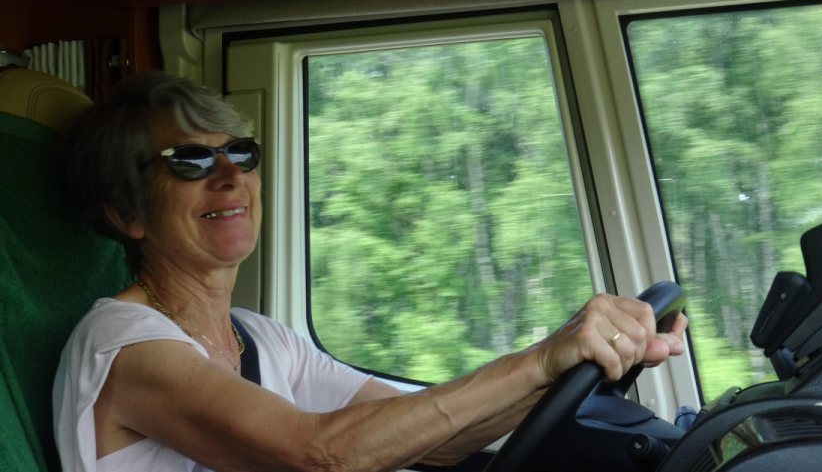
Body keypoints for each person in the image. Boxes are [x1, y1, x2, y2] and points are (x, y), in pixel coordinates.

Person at [53, 71, 688, 472]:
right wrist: (544, 358)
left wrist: (588, 360)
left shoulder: (259, 338)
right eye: (189, 161)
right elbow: (320, 453)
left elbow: (436, 440)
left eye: (240, 154)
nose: (230, 176)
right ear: (126, 213)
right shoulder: (123, 347)